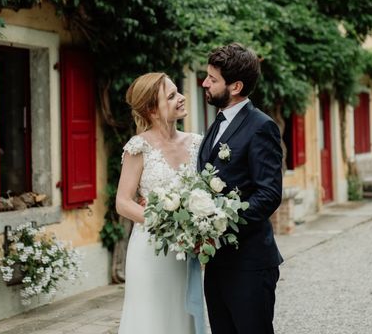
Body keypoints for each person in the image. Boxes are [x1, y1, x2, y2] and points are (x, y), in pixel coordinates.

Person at [199, 43, 283, 334]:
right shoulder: (217, 123)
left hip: (249, 263)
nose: (204, 83)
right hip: (217, 262)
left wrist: (222, 225)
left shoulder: (261, 126)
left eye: (212, 79)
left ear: (235, 86)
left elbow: (269, 194)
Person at [116, 72, 203, 334]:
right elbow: (123, 202)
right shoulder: (139, 147)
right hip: (151, 249)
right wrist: (164, 223)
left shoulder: (197, 143)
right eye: (172, 95)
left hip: (185, 251)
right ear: (152, 109)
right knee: (151, 320)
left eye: (178, 91)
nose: (182, 97)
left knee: (182, 316)